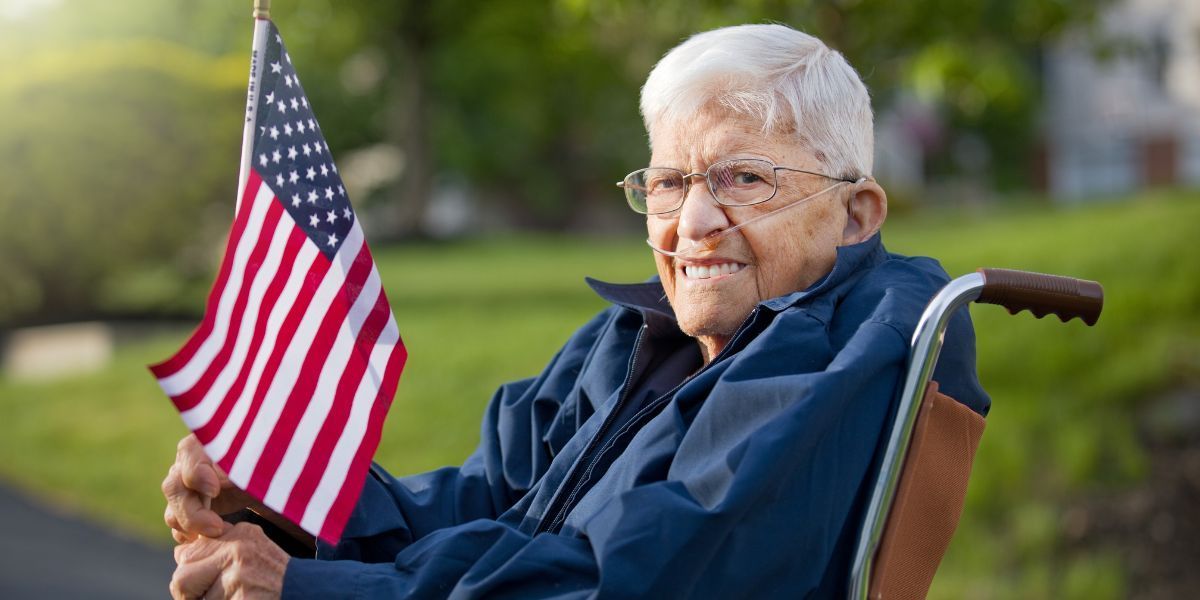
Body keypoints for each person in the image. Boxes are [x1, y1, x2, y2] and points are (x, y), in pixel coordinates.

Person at [164, 23, 988, 599]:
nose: (691, 225)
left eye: (744, 179)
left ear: (857, 213)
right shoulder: (640, 338)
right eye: (668, 182)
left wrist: (314, 590)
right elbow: (486, 503)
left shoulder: (857, 342)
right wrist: (284, 503)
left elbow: (639, 579)